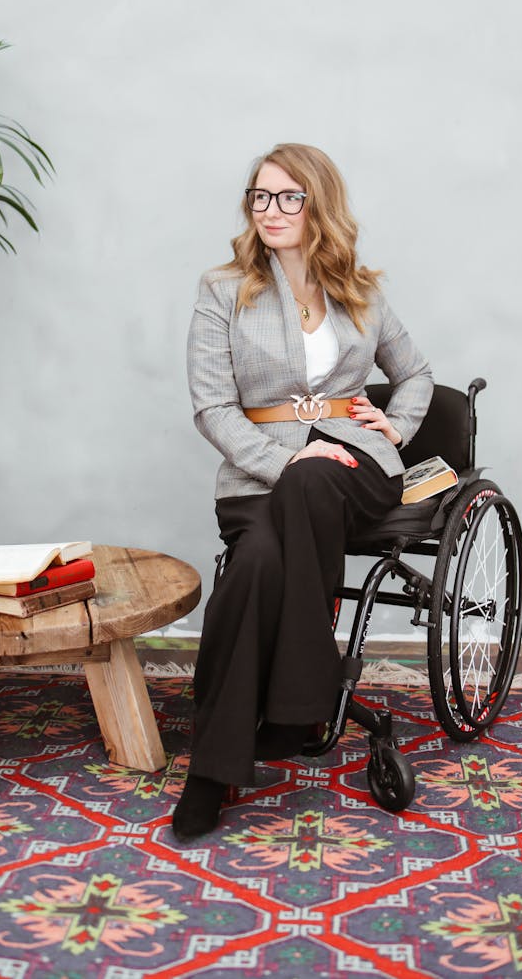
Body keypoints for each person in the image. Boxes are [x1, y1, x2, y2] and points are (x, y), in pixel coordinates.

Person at [174, 143, 433, 840]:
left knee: (319, 472)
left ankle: (219, 764)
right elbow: (212, 408)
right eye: (261, 196)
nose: (272, 210)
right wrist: (280, 461)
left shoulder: (362, 290)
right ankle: (286, 714)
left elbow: (416, 376)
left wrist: (398, 425)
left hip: (353, 470)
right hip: (259, 478)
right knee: (261, 555)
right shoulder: (222, 289)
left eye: (289, 196)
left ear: (318, 204)